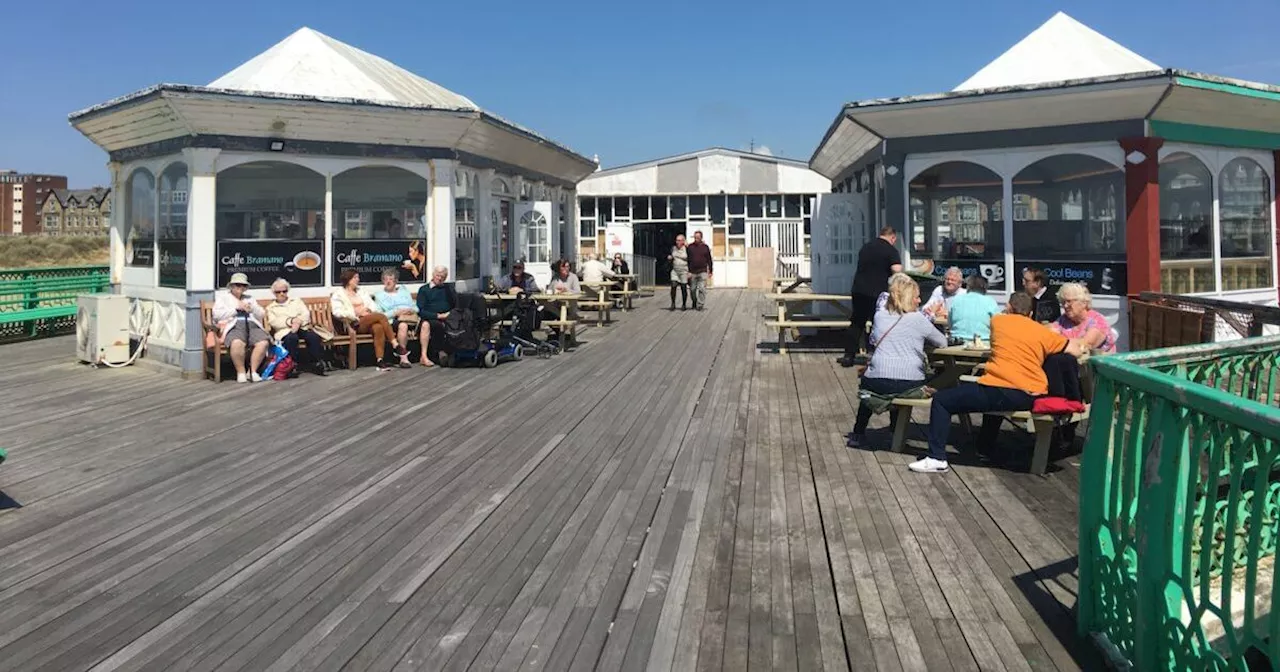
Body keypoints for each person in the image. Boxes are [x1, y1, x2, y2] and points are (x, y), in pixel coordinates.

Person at [909, 293, 1086, 473]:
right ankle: (985, 445)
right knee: (987, 400)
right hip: (1029, 394)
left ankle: (936, 457)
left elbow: (998, 318)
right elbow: (1074, 351)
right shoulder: (1042, 332)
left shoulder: (998, 322)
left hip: (998, 388)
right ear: (1031, 313)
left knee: (941, 400)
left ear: (1008, 308)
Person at [848, 276, 946, 448]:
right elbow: (942, 342)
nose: (920, 300)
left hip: (877, 379)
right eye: (916, 296)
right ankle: (894, 431)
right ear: (909, 298)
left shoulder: (879, 316)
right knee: (904, 383)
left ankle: (858, 433)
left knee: (868, 388)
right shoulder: (918, 319)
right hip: (908, 382)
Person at [841, 226, 903, 367]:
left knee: (857, 322)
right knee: (879, 323)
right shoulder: (890, 250)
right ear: (893, 237)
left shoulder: (866, 247)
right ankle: (876, 354)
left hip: (858, 289)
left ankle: (848, 356)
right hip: (877, 292)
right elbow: (897, 271)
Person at [330, 269, 400, 371]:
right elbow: (337, 312)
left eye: (358, 277)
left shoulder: (361, 292)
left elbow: (374, 306)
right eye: (355, 278)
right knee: (380, 316)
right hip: (353, 324)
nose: (358, 280)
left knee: (378, 327)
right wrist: (355, 313)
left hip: (367, 320)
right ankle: (395, 343)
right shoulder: (338, 294)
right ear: (348, 279)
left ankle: (380, 360)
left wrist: (368, 310)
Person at [264, 278, 330, 376]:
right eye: (278, 292)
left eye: (284, 291)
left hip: (301, 327)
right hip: (284, 331)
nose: (282, 294)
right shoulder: (271, 307)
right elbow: (274, 322)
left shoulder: (296, 301)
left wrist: (298, 322)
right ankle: (292, 365)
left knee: (313, 336)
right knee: (291, 338)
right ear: (274, 293)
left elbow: (305, 313)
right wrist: (290, 321)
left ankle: (317, 362)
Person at [212, 273, 271, 383]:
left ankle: (253, 371)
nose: (240, 288)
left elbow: (262, 314)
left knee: (263, 342)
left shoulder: (250, 299)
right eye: (237, 285)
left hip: (251, 324)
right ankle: (241, 372)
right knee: (237, 342)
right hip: (234, 325)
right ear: (231, 286)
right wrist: (236, 310)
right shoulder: (223, 298)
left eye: (243, 285)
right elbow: (216, 315)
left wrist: (252, 308)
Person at [1049, 282, 1116, 354]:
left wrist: (1058, 342)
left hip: (1095, 363)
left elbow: (1086, 345)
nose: (1065, 306)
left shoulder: (1097, 320)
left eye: (1069, 301)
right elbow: (1048, 336)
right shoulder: (1063, 319)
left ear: (1084, 303)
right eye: (1063, 302)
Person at [373, 268, 420, 368]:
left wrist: (411, 310)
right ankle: (403, 358)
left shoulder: (404, 292)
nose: (388, 281)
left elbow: (416, 308)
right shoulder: (379, 296)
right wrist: (395, 312)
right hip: (391, 322)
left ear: (396, 281)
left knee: (409, 324)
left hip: (409, 318)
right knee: (403, 325)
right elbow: (380, 315)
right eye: (385, 279)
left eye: (391, 279)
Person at [415, 265, 457, 366]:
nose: (440, 278)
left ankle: (455, 352)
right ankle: (424, 356)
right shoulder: (424, 290)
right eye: (438, 275)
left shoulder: (448, 289)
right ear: (433, 275)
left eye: (443, 276)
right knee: (426, 325)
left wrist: (449, 314)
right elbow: (420, 310)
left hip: (448, 317)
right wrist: (437, 316)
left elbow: (455, 304)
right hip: (430, 317)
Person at [947, 275, 1000, 343]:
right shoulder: (989, 301)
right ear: (985, 288)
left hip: (957, 341)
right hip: (982, 342)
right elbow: (998, 324)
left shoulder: (956, 299)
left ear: (968, 287)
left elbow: (950, 323)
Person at [686, 230, 713, 310]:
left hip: (703, 271)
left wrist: (710, 271)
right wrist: (688, 271)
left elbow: (709, 259)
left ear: (701, 237)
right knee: (692, 289)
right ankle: (694, 301)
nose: (696, 238)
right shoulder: (690, 247)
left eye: (698, 237)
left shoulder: (705, 247)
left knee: (702, 288)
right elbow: (687, 259)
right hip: (692, 272)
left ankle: (700, 304)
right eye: (695, 237)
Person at [668, 234, 690, 311]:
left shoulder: (687, 249)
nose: (677, 242)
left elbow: (691, 259)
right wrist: (670, 258)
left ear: (683, 241)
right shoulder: (673, 248)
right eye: (677, 240)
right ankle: (673, 303)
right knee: (673, 286)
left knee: (683, 287)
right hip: (675, 270)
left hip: (684, 270)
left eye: (679, 240)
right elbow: (670, 256)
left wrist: (690, 271)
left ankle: (684, 304)